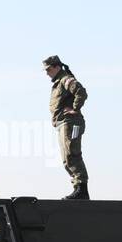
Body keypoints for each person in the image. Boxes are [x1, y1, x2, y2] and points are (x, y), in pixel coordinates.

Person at [43, 55, 90, 200]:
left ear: (57, 67)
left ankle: (81, 190)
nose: (47, 73)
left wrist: (75, 108)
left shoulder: (65, 79)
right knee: (67, 158)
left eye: (49, 69)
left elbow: (80, 92)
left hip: (71, 122)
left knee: (72, 154)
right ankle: (77, 188)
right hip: (64, 124)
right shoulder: (59, 82)